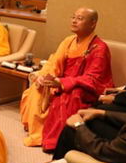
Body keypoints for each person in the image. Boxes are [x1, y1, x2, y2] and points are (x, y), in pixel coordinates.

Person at [20, 8, 113, 151]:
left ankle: (57, 140)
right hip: (61, 81)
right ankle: (37, 133)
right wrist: (44, 77)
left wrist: (62, 83)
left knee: (70, 97)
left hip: (83, 88)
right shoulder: (68, 41)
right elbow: (54, 64)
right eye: (73, 17)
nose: (74, 21)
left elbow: (93, 78)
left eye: (80, 19)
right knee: (36, 89)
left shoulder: (99, 48)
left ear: (93, 23)